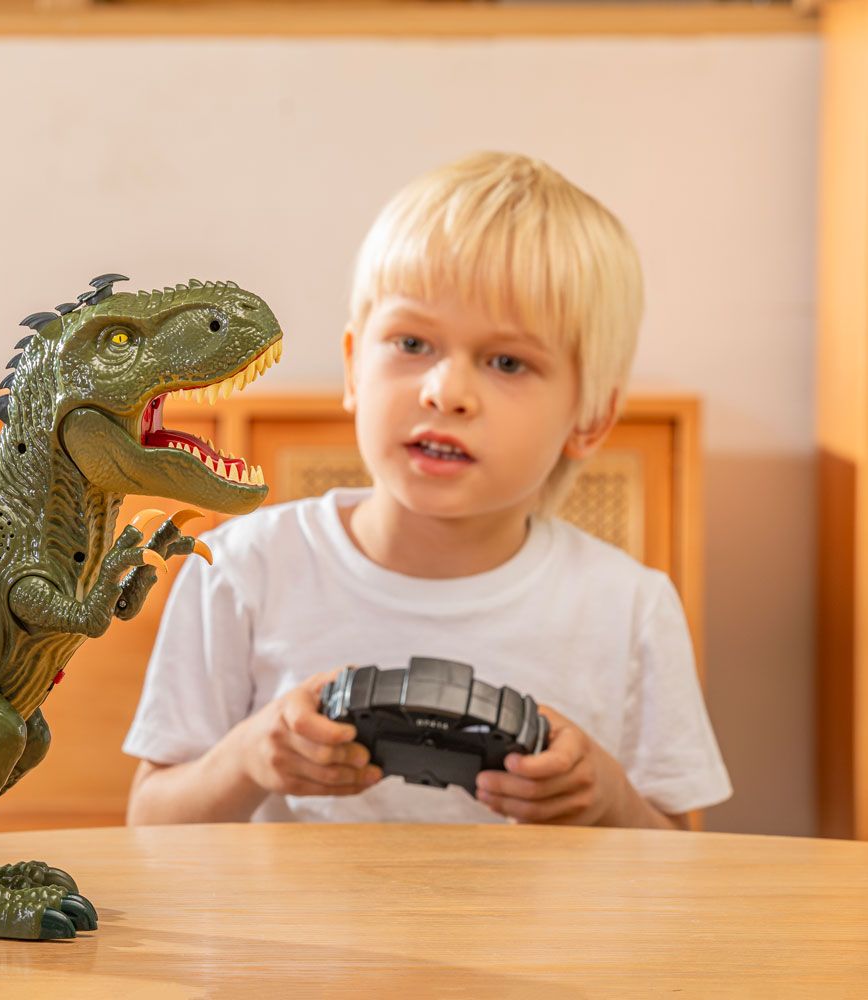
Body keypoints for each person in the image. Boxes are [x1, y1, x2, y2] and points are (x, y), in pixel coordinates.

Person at [123, 151, 732, 829]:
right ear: (356, 368)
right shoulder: (239, 568)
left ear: (589, 418)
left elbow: (680, 864)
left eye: (507, 362)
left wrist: (610, 801)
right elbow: (151, 824)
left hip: (544, 938)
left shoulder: (630, 608)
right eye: (412, 343)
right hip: (294, 936)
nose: (445, 391)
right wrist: (246, 758)